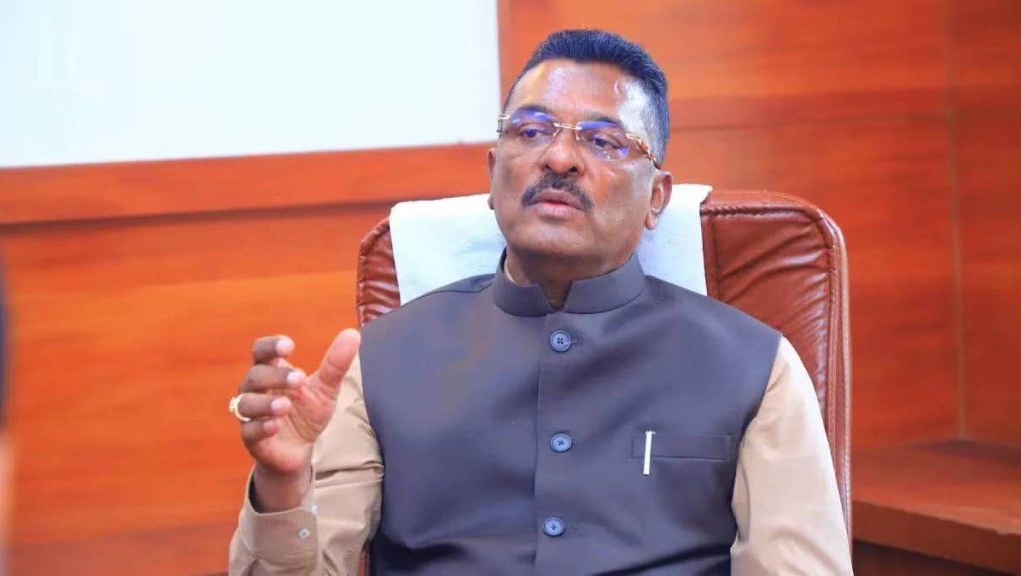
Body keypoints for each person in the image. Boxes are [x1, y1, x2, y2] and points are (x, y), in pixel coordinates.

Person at [228, 29, 853, 575]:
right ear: (493, 172)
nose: (558, 157)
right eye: (531, 131)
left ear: (657, 198)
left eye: (605, 141)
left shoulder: (754, 367)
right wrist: (283, 488)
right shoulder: (381, 360)